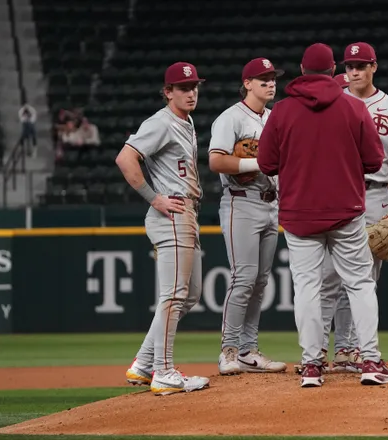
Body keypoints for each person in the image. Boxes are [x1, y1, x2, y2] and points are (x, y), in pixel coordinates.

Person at [257, 43, 388, 388]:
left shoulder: (282, 111)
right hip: (346, 212)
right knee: (360, 284)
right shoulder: (354, 107)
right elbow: (375, 161)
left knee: (306, 287)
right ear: (334, 69)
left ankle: (311, 365)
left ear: (302, 71)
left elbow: (266, 164)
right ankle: (371, 361)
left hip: (299, 214)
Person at [117, 62, 210, 396]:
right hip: (171, 214)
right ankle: (165, 371)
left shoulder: (185, 121)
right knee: (174, 295)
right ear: (167, 92)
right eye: (183, 88)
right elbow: (125, 158)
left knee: (190, 295)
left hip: (186, 213)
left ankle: (143, 364)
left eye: (194, 86)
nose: (191, 92)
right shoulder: (160, 122)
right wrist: (154, 198)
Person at [318, 42, 388, 373]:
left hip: (375, 196)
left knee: (365, 280)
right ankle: (336, 349)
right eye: (349, 65)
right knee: (330, 278)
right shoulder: (334, 104)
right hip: (338, 195)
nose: (354, 70)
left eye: (361, 65)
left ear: (373, 67)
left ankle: (355, 348)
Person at [208, 58, 287, 376]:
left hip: (271, 203)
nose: (270, 83)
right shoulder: (230, 118)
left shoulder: (274, 117)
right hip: (240, 203)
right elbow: (216, 162)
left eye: (273, 78)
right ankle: (228, 350)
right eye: (263, 79)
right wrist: (260, 164)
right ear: (247, 84)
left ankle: (247, 350)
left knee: (260, 282)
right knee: (243, 279)